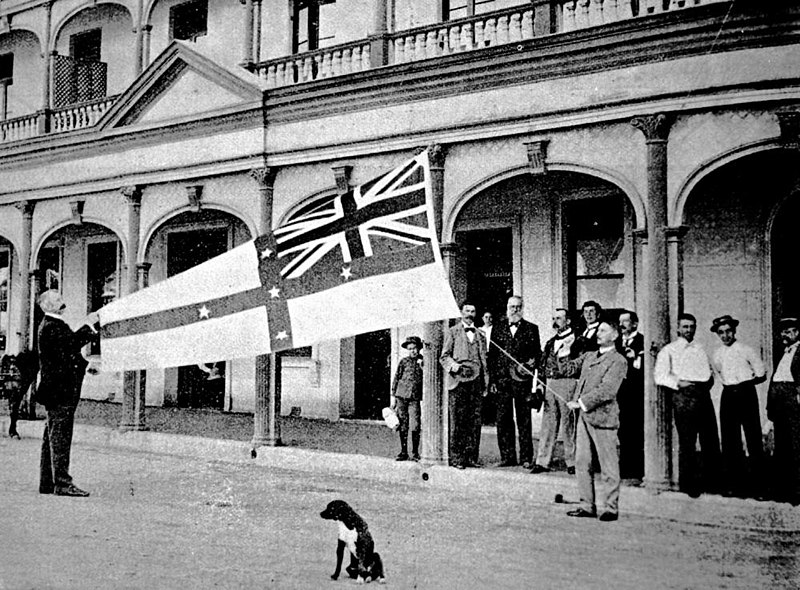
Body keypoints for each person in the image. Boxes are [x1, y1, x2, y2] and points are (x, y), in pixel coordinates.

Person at [561, 318, 628, 521]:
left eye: (603, 330)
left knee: (608, 465)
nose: (598, 333)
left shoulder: (618, 361)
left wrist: (580, 402)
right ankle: (587, 505)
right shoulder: (589, 356)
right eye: (598, 330)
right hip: (584, 418)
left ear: (615, 335)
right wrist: (564, 350)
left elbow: (607, 390)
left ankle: (611, 507)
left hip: (603, 419)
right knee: (582, 462)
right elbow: (567, 369)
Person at [37, 290, 99, 497]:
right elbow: (71, 344)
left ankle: (48, 482)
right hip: (60, 391)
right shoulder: (52, 326)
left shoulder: (52, 325)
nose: (62, 302)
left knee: (52, 436)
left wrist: (84, 363)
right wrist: (89, 324)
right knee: (60, 436)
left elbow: (66, 354)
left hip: (56, 391)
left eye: (61, 298)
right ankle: (62, 483)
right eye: (56, 300)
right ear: (46, 306)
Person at [654, 313, 722, 498]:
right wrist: (679, 383)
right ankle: (689, 485)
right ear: (678, 328)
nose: (689, 330)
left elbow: (710, 371)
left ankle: (712, 483)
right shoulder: (669, 350)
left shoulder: (700, 348)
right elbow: (660, 376)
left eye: (692, 326)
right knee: (687, 442)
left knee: (710, 439)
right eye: (685, 326)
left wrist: (706, 384)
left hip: (702, 394)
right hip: (683, 396)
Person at [709, 315, 766, 498]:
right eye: (721, 333)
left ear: (734, 331)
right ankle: (734, 486)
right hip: (728, 395)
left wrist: (744, 385)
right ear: (718, 334)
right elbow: (718, 374)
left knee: (753, 438)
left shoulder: (746, 350)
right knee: (729, 439)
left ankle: (759, 488)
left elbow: (761, 374)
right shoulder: (717, 354)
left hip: (746, 393)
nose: (725, 335)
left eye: (728, 331)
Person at [489, 295, 541, 468]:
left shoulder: (532, 328)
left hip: (522, 381)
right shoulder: (498, 328)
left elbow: (537, 354)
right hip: (503, 381)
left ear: (522, 308)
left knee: (524, 419)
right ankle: (507, 457)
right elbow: (493, 357)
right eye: (512, 307)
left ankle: (526, 457)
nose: (515, 310)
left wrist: (530, 364)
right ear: (507, 308)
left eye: (518, 307)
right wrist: (494, 380)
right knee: (503, 419)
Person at [441, 301, 489, 470]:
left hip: (476, 382)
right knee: (457, 420)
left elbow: (484, 360)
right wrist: (456, 367)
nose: (470, 314)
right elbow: (444, 357)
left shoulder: (481, 335)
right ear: (461, 312)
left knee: (474, 421)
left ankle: (471, 457)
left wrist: (485, 382)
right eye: (467, 310)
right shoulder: (453, 332)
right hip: (458, 382)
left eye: (473, 311)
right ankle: (456, 458)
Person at [531, 308, 578, 475]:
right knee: (548, 425)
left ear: (568, 321)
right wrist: (539, 385)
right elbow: (542, 366)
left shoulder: (577, 340)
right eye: (554, 318)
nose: (555, 321)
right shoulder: (550, 342)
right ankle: (542, 461)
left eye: (559, 318)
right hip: (550, 384)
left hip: (568, 384)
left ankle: (572, 462)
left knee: (568, 425)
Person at [766, 317, 800, 505]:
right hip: (780, 406)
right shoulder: (784, 353)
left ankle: (796, 492)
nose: (783, 335)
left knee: (796, 448)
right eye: (782, 331)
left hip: (793, 405)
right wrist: (770, 409)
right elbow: (775, 381)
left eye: (788, 331)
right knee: (782, 447)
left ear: (797, 332)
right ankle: (783, 490)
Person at [618, 310, 645, 481]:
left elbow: (641, 367)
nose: (622, 325)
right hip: (620, 392)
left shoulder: (642, 341)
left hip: (636, 392)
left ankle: (638, 468)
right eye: (620, 321)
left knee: (636, 430)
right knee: (623, 430)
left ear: (634, 324)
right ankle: (625, 467)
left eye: (625, 321)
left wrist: (634, 358)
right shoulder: (617, 343)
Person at [390, 336, 424, 462]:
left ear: (419, 348)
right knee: (403, 425)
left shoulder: (424, 362)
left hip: (414, 398)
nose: (413, 351)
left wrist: (423, 366)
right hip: (401, 396)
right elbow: (396, 378)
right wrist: (394, 398)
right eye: (410, 349)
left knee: (415, 425)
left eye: (415, 348)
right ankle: (403, 452)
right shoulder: (404, 362)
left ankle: (415, 452)